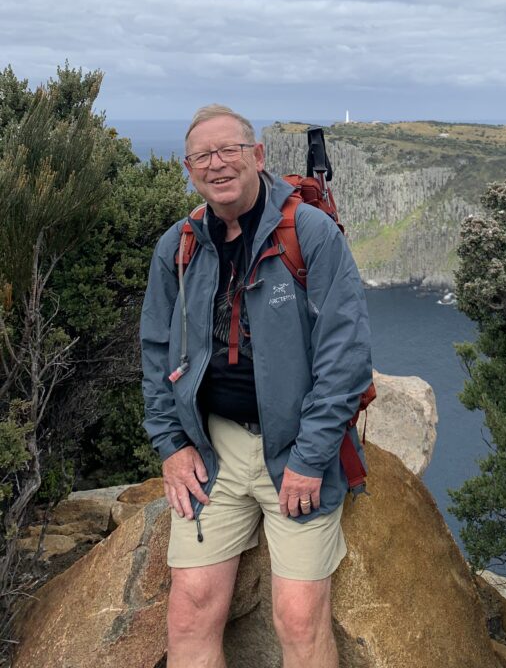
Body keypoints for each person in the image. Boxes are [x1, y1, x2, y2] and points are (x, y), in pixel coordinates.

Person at [140, 105, 372, 668]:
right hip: (212, 449)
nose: (217, 165)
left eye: (229, 151)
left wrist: (311, 458)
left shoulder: (309, 234)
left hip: (294, 451)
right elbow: (155, 352)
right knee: (190, 608)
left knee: (298, 617)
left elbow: (346, 358)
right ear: (190, 169)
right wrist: (172, 445)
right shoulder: (179, 246)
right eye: (202, 156)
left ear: (258, 157)